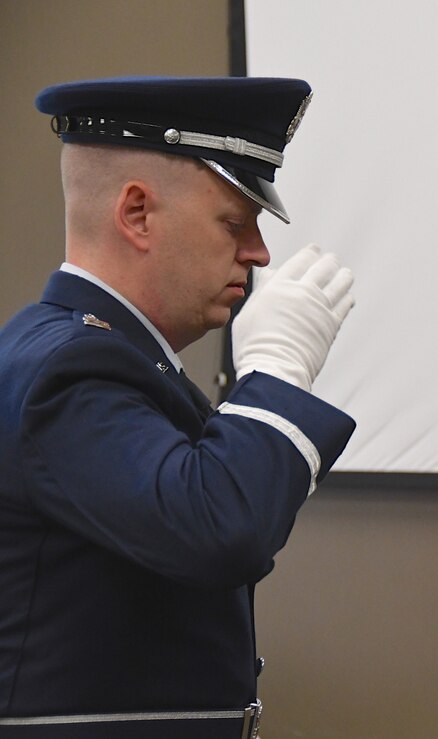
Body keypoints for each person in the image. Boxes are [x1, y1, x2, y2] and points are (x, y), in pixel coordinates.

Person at [0, 77, 357, 738]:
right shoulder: (68, 369)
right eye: (234, 220)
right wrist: (277, 370)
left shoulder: (106, 360)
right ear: (136, 213)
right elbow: (217, 526)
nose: (258, 251)